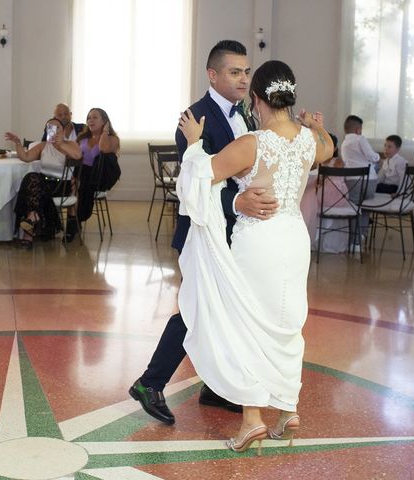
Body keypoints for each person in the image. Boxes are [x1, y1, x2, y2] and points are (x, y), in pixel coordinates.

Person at [177, 59, 334, 452]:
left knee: (246, 324)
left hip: (259, 241)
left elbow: (202, 175)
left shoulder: (253, 143)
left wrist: (195, 142)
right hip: (295, 238)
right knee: (287, 321)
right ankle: (288, 410)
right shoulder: (309, 141)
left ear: (257, 98)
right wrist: (316, 125)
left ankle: (251, 421)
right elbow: (329, 150)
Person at [128, 40, 279, 426]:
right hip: (203, 231)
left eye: (246, 71)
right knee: (196, 308)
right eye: (234, 72)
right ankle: (150, 383)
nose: (244, 79)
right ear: (212, 75)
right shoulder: (194, 119)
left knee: (226, 308)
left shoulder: (246, 114)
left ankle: (215, 387)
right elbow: (199, 182)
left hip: (236, 233)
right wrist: (236, 204)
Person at [5, 118, 82, 248]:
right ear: (47, 131)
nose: (55, 131)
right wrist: (17, 143)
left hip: (61, 185)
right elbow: (26, 157)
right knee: (31, 177)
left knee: (34, 187)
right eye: (50, 128)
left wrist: (60, 144)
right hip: (44, 182)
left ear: (63, 131)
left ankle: (28, 233)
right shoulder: (42, 146)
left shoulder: (71, 144)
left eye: (58, 128)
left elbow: (77, 156)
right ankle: (32, 217)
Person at [73, 107, 120, 240]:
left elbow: (104, 149)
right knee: (68, 183)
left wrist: (104, 132)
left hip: (97, 177)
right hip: (79, 174)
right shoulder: (82, 137)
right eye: (88, 118)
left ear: (104, 121)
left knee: (79, 184)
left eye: (95, 117)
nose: (90, 120)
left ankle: (75, 220)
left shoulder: (112, 138)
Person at [340, 115, 380, 241]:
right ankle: (363, 234)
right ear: (358, 130)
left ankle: (354, 240)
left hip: (351, 180)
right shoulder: (360, 139)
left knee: (354, 209)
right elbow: (372, 156)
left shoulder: (344, 143)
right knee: (366, 207)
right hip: (369, 180)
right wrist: (378, 157)